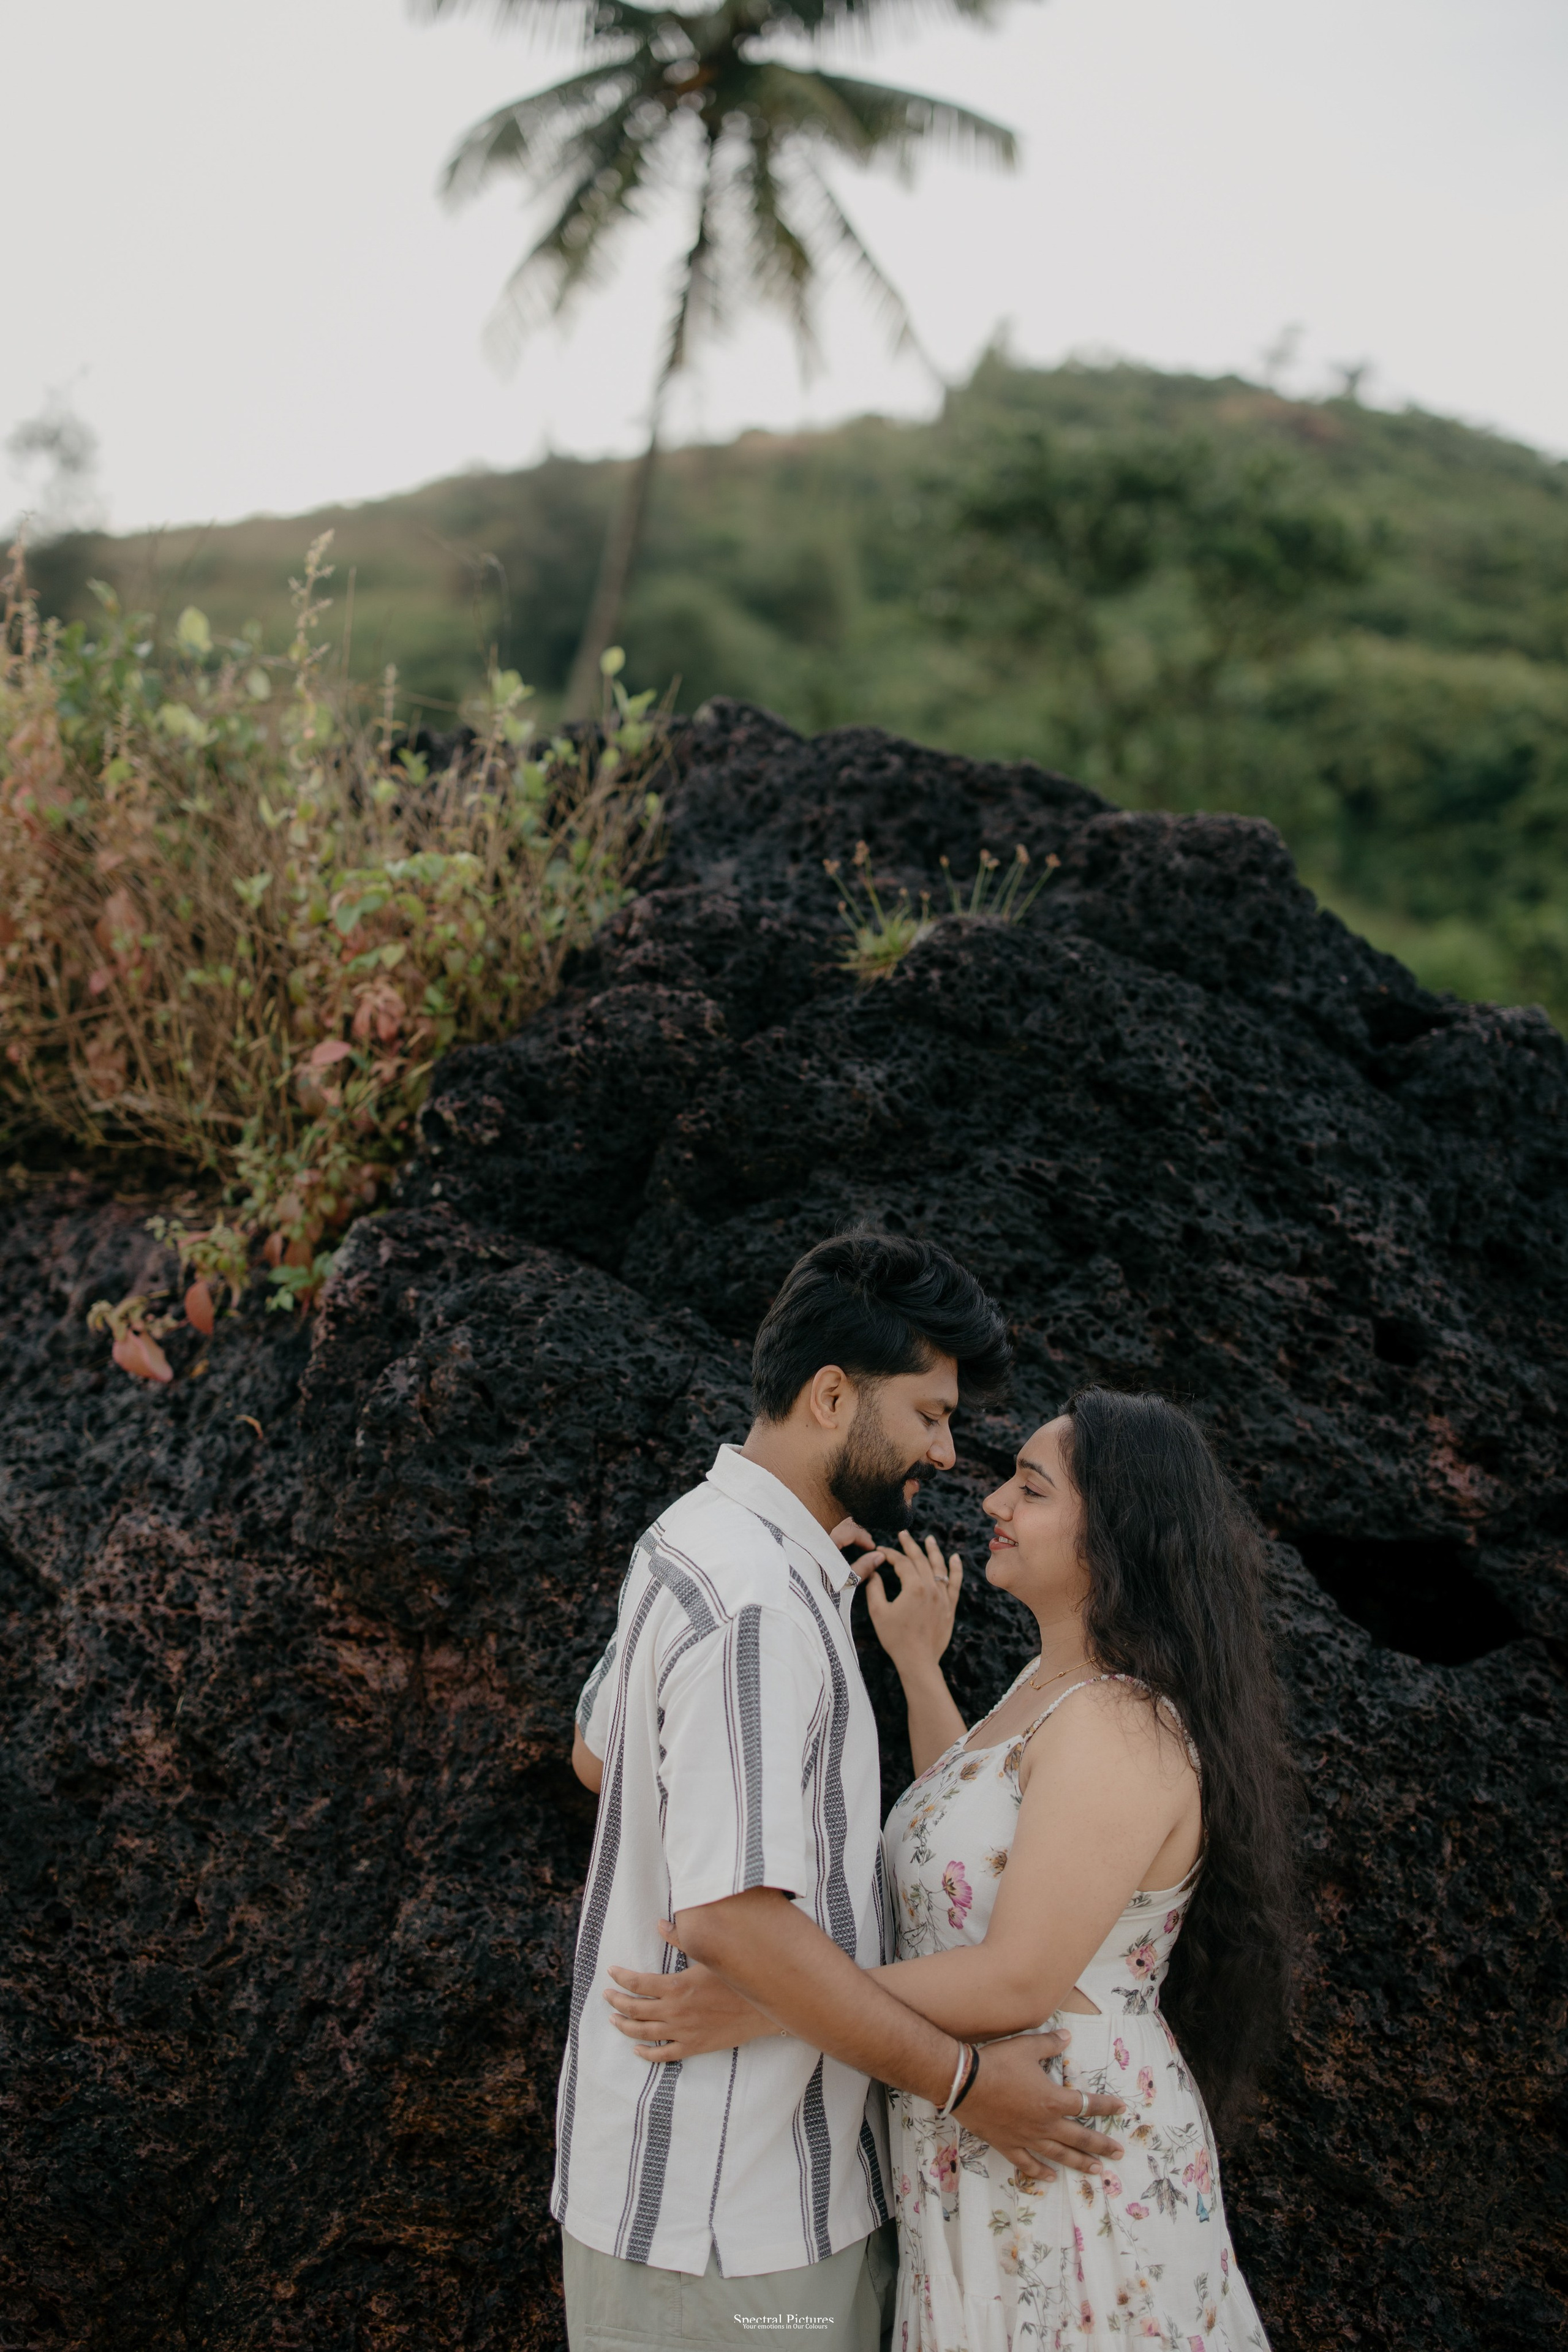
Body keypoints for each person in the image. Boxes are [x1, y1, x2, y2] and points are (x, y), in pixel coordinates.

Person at [606, 1388, 1294, 2351]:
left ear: (1117, 1532)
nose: (992, 1505)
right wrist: (918, 1664)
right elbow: (961, 1856)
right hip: (984, 2127)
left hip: (1055, 2138)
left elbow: (1017, 1975)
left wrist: (769, 1998)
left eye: (1031, 1488)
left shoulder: (1117, 1724)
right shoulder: (1048, 1690)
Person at [556, 1234, 1127, 2352]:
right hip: (734, 2225)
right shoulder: (759, 1602)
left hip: (727, 2197)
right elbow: (728, 1920)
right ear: (831, 1397)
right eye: (928, 1415)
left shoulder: (694, 1538)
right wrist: (970, 2085)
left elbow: (596, 1752)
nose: (949, 1454)